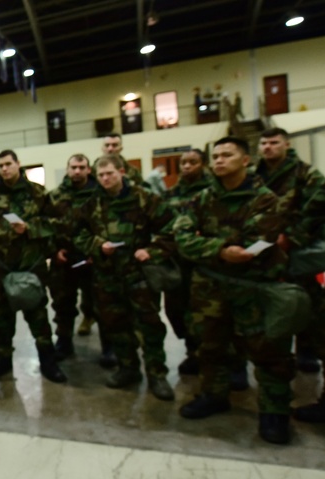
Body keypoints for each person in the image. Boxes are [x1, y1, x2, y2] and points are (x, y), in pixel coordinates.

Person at [174, 136, 293, 445]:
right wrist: (220, 249)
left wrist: (212, 248)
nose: (219, 161)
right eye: (215, 155)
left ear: (245, 161)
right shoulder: (201, 199)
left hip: (251, 286)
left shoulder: (264, 198)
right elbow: (183, 238)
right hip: (210, 286)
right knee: (209, 344)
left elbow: (260, 240)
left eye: (227, 155)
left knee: (266, 350)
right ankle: (214, 394)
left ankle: (274, 411)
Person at [73, 156, 176, 400]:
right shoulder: (91, 204)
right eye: (100, 175)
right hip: (107, 276)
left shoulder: (145, 199)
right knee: (115, 326)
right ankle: (128, 368)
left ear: (121, 172)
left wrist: (151, 250)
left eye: (109, 173)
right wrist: (98, 245)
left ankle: (156, 374)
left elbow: (172, 227)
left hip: (139, 275)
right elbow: (78, 235)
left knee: (149, 327)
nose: (105, 179)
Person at [0, 150, 67, 384]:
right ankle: (2, 359)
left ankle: (47, 360)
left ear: (18, 164)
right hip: (0, 270)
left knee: (38, 318)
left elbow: (57, 223)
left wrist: (30, 228)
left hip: (31, 267)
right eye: (0, 165)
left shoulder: (37, 193)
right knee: (1, 319)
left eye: (8, 164)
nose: (4, 169)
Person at [255, 127, 325, 375]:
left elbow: (317, 208)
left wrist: (292, 238)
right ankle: (274, 352)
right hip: (262, 249)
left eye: (274, 142)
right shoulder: (254, 174)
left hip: (295, 247)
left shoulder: (305, 173)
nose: (268, 147)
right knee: (268, 302)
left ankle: (307, 349)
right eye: (264, 143)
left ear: (287, 145)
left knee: (306, 300)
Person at [165, 149, 215, 376]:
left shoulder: (214, 190)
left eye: (193, 162)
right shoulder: (172, 193)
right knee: (178, 309)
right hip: (179, 262)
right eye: (183, 163)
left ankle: (230, 363)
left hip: (208, 262)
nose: (187, 167)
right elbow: (165, 223)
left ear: (203, 164)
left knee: (210, 312)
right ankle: (192, 352)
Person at [46, 153, 99, 360]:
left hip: (92, 259)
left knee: (101, 302)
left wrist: (97, 252)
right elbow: (45, 226)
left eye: (81, 167)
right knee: (62, 303)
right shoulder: (55, 196)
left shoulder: (98, 194)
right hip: (64, 259)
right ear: (67, 169)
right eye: (73, 167)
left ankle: (110, 346)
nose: (77, 171)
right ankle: (64, 341)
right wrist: (53, 252)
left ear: (88, 170)